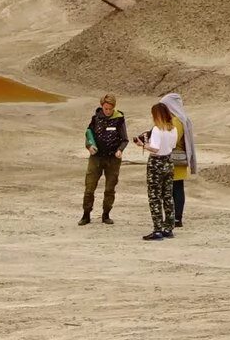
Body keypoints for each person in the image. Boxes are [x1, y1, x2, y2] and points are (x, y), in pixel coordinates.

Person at [136, 92, 197, 240]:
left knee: (157, 196)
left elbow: (156, 147)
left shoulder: (163, 127)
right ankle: (170, 225)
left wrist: (143, 144)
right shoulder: (175, 126)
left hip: (159, 162)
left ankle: (159, 228)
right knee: (170, 194)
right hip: (170, 162)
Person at [82, 95, 129, 225]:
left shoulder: (119, 120)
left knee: (110, 188)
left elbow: (125, 139)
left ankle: (106, 214)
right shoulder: (95, 118)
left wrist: (120, 150)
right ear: (102, 106)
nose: (108, 111)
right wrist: (89, 146)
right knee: (89, 187)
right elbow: (88, 135)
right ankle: (86, 215)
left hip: (113, 159)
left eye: (110, 109)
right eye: (106, 108)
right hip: (96, 158)